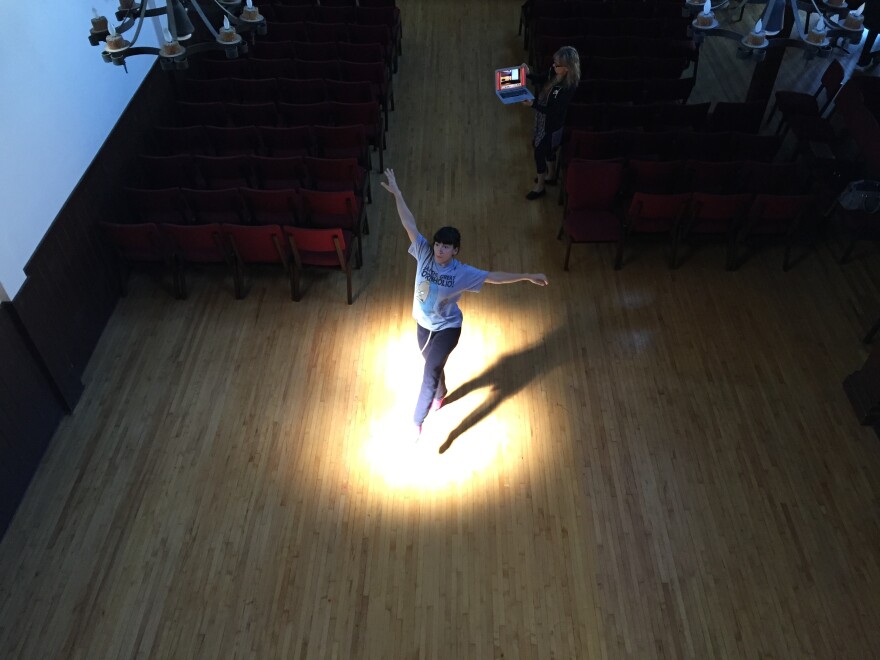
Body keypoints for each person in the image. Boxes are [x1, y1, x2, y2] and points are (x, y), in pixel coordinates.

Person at [381, 168, 549, 439]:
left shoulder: (462, 272)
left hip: (448, 328)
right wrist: (397, 193)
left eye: (446, 247)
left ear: (455, 250)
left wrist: (528, 276)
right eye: (437, 244)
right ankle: (442, 392)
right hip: (423, 325)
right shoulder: (423, 252)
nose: (439, 249)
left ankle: (416, 422)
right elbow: (408, 223)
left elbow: (494, 277)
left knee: (429, 371)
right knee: (433, 367)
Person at [521, 46, 581, 200]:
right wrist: (528, 75)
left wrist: (533, 104)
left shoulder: (565, 89)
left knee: (539, 151)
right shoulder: (555, 72)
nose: (553, 66)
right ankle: (551, 175)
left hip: (552, 124)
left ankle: (540, 186)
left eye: (557, 64)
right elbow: (542, 77)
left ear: (567, 69)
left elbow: (553, 112)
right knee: (548, 150)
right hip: (544, 119)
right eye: (554, 63)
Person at [857, 1, 880, 70]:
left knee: (874, 30)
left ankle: (865, 58)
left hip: (868, 16)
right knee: (874, 28)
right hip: (873, 18)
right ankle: (869, 57)